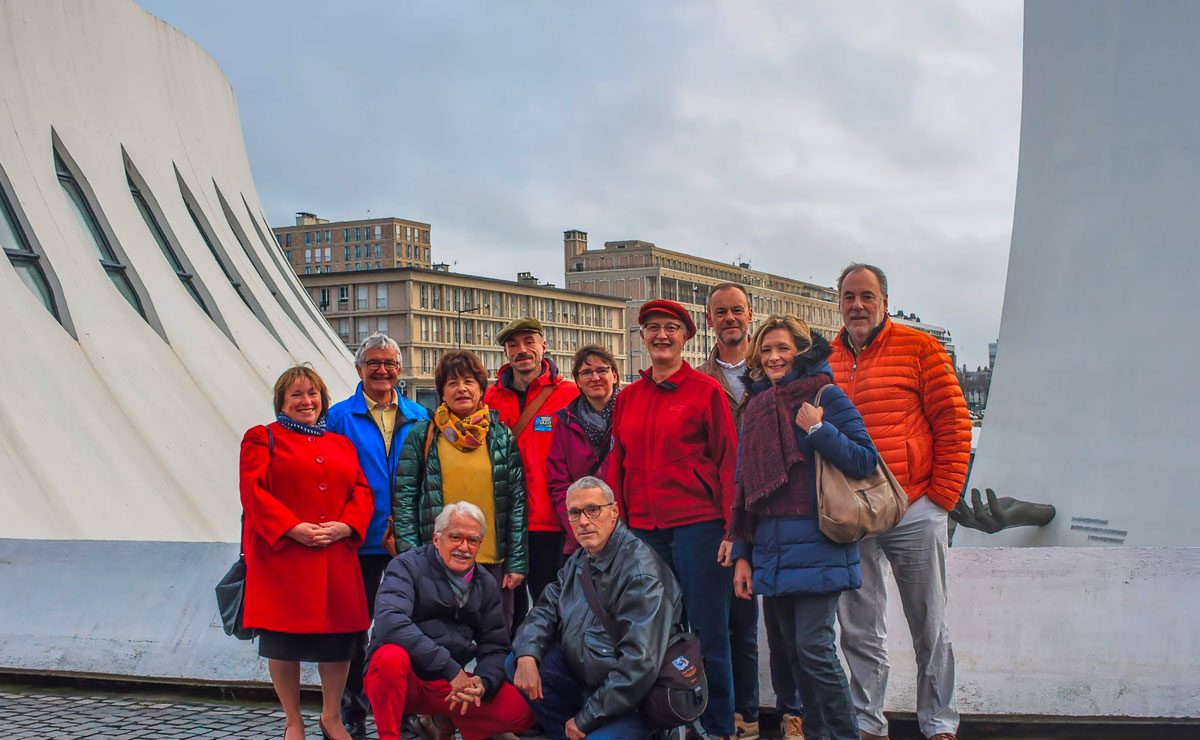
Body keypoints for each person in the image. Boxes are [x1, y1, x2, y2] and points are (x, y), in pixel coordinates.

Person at [830, 263, 971, 740]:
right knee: (859, 628)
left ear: (884, 302)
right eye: (849, 296)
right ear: (839, 302)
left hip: (914, 508)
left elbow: (953, 424)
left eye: (866, 296)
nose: (857, 305)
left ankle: (940, 723)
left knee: (929, 624)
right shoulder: (824, 359)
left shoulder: (920, 348)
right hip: (856, 517)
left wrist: (940, 499)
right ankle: (867, 724)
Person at [730, 315, 879, 740]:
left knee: (815, 650)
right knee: (789, 655)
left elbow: (864, 461)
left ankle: (843, 734)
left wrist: (817, 428)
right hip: (770, 548)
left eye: (783, 348)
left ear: (801, 351)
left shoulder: (826, 396)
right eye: (767, 350)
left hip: (819, 543)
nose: (774, 357)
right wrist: (742, 554)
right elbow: (744, 487)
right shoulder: (756, 405)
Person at [605, 298, 739, 740]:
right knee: (650, 630)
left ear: (686, 337)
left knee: (706, 630)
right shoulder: (628, 397)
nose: (661, 335)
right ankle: (662, 720)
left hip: (698, 525)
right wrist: (616, 527)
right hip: (643, 530)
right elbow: (617, 464)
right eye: (653, 328)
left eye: (671, 328)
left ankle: (718, 724)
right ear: (641, 337)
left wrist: (731, 529)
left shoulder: (705, 391)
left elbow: (728, 462)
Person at [239, 366, 374, 740]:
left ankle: (331, 717)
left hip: (334, 555)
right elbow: (254, 493)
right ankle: (293, 719)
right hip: (285, 558)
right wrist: (291, 528)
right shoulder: (261, 438)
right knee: (285, 642)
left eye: (313, 394)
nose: (306, 401)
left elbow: (362, 491)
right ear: (282, 402)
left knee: (339, 641)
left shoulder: (340, 444)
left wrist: (347, 525)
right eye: (297, 394)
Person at [508, 476, 684, 740]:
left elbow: (639, 665)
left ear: (613, 513)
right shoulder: (580, 559)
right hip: (586, 678)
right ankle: (569, 732)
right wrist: (527, 654)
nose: (584, 521)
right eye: (575, 513)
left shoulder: (641, 574)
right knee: (517, 662)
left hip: (632, 701)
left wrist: (586, 718)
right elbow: (545, 609)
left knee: (595, 733)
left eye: (593, 510)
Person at [326, 332, 430, 738]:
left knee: (407, 624)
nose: (382, 370)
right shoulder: (338, 417)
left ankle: (403, 707)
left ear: (400, 371)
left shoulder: (420, 417)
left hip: (407, 540)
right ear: (359, 370)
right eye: (373, 363)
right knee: (354, 628)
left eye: (389, 363)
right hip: (357, 539)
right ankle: (351, 708)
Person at [365, 501, 537, 740]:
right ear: (437, 539)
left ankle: (459, 724)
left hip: (451, 686)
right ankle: (389, 735)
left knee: (521, 711)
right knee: (389, 658)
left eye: (473, 540)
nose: (464, 547)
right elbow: (389, 623)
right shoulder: (406, 566)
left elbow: (495, 646)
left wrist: (484, 682)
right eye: (455, 537)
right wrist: (450, 669)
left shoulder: (485, 583)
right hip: (408, 679)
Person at [392, 349, 528, 631]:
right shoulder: (424, 434)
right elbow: (404, 498)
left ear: (481, 390)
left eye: (468, 381)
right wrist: (411, 557)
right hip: (436, 561)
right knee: (438, 638)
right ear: (442, 392)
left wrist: (516, 561)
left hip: (492, 561)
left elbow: (516, 503)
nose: (461, 389)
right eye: (452, 383)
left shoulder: (501, 436)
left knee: (496, 637)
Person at [695, 283, 768, 739]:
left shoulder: (771, 371)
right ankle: (722, 717)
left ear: (751, 314)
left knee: (755, 621)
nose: (729, 319)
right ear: (709, 320)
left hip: (767, 508)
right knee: (719, 620)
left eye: (737, 310)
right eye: (720, 312)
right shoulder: (699, 378)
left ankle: (755, 714)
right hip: (716, 512)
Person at [483, 318, 579, 620]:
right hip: (505, 522)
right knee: (505, 612)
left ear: (543, 346)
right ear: (506, 353)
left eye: (528, 342)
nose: (521, 350)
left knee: (551, 605)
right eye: (513, 344)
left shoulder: (569, 394)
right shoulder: (490, 398)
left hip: (549, 521)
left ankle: (551, 666)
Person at [546, 344, 620, 555]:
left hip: (625, 531)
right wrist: (578, 527)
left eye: (602, 370)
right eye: (586, 372)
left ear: (614, 375)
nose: (595, 377)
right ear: (577, 381)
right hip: (582, 533)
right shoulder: (565, 421)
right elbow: (558, 482)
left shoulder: (630, 412)